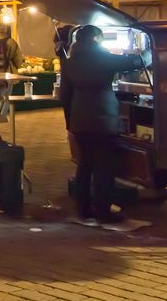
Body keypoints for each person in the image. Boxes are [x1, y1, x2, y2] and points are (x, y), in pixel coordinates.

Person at [61, 25, 146, 225]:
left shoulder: (70, 61)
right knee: (103, 166)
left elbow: (64, 94)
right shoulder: (103, 57)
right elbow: (135, 61)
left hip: (79, 117)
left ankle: (83, 209)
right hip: (102, 116)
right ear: (97, 39)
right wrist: (147, 50)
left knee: (85, 164)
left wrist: (70, 121)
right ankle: (103, 210)